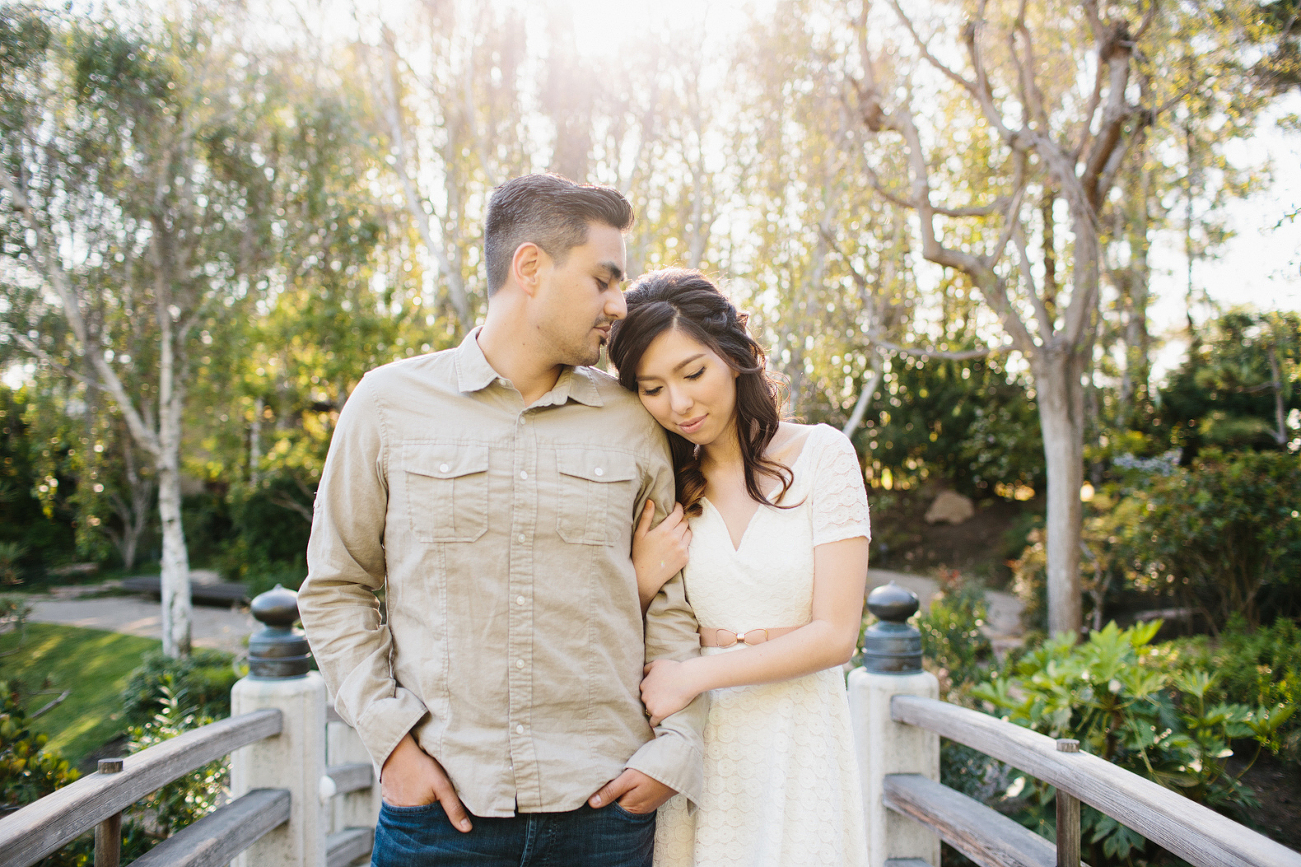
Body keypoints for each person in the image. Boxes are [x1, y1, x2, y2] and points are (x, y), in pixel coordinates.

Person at [298, 175, 707, 867]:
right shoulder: (387, 404)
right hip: (439, 815)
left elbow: (671, 605)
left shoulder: (633, 421)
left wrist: (676, 748)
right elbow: (335, 588)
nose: (619, 304)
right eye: (604, 279)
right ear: (530, 268)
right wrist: (392, 747)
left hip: (603, 813)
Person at [607, 268, 871, 866]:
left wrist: (695, 675)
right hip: (696, 742)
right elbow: (619, 624)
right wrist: (643, 579)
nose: (679, 403)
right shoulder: (663, 483)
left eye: (693, 372)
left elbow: (835, 635)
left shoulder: (823, 455)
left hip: (799, 731)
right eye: (651, 388)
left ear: (734, 355)